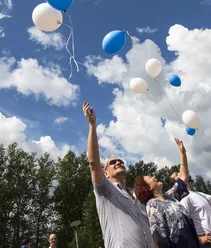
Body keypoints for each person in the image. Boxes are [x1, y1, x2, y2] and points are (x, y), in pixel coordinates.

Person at [83, 102, 154, 248]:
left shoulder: (138, 195)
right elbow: (93, 162)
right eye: (112, 162)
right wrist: (92, 125)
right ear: (105, 173)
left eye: (120, 161)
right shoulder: (105, 190)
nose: (118, 163)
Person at [134, 138, 199, 247]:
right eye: (149, 178)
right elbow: (160, 239)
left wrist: (183, 153)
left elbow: (183, 178)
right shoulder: (152, 205)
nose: (154, 177)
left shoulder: (170, 197)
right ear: (146, 188)